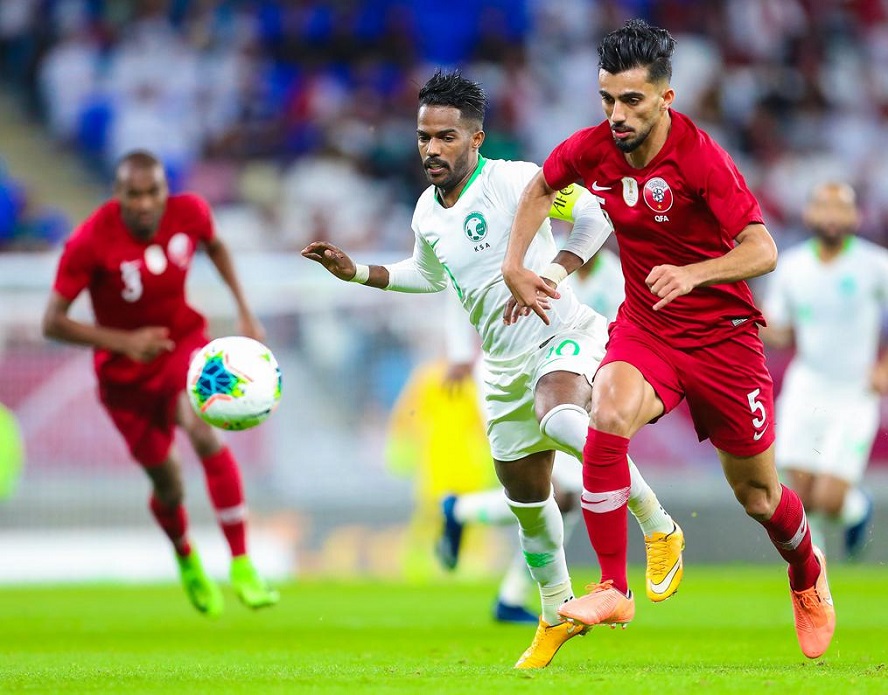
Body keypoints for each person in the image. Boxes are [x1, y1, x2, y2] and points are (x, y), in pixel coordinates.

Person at [303, 69, 683, 669]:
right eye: (424, 137)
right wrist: (357, 273)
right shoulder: (426, 211)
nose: (432, 149)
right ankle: (555, 612)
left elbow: (595, 219)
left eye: (446, 137)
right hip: (502, 368)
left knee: (561, 417)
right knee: (530, 508)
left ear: (476, 138)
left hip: (563, 333)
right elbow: (426, 275)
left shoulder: (516, 180)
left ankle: (658, 525)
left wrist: (550, 274)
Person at [501, 19, 835, 660]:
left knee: (759, 497)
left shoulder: (701, 157)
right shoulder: (592, 148)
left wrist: (694, 272)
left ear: (665, 98)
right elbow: (541, 187)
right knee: (607, 410)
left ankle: (805, 573)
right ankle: (613, 587)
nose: (617, 115)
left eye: (632, 100)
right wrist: (516, 265)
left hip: (724, 342)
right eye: (608, 99)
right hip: (649, 326)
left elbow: (763, 249)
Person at [42, 150, 279, 618]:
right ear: (118, 195)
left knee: (203, 431)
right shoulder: (89, 242)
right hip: (124, 376)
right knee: (168, 484)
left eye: (153, 192)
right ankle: (186, 556)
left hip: (180, 342)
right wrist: (124, 341)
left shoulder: (190, 213)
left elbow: (217, 246)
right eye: (134, 195)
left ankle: (242, 563)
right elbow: (52, 322)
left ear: (165, 191)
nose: (145, 203)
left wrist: (244, 309)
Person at [435, 250, 625, 625]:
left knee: (564, 497)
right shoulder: (543, 255)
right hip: (510, 376)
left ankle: (467, 522)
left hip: (569, 387)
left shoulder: (614, 276)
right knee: (552, 492)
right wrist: (458, 352)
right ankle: (518, 594)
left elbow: (618, 336)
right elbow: (462, 282)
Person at [762, 182, 882, 560]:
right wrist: (755, 322)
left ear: (855, 216)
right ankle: (814, 575)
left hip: (855, 393)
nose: (831, 215)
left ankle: (857, 508)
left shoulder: (875, 264)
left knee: (829, 500)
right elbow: (780, 330)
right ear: (810, 213)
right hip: (807, 387)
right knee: (800, 494)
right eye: (823, 207)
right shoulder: (792, 266)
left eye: (840, 207)